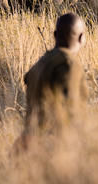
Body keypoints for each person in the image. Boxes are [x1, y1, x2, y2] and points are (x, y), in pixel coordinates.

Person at [19, 13, 88, 147]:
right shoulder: (69, 64)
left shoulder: (41, 63)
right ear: (81, 38)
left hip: (30, 140)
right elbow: (71, 111)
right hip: (54, 144)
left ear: (55, 35)